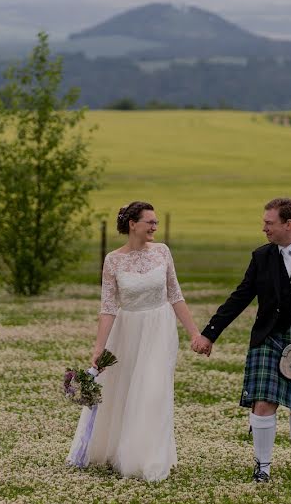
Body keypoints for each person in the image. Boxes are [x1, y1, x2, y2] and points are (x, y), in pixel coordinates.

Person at [191, 197, 291, 482]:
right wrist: (209, 332)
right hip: (270, 337)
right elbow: (240, 297)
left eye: (269, 223)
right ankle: (262, 467)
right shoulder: (262, 256)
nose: (264, 228)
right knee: (263, 401)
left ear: (288, 224)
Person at [67, 201, 201, 481]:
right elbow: (108, 307)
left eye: (156, 222)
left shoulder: (163, 252)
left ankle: (149, 459)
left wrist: (194, 333)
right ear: (132, 224)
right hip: (127, 331)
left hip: (159, 329)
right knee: (124, 390)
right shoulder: (113, 260)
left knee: (153, 390)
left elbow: (175, 295)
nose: (154, 227)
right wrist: (98, 348)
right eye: (149, 222)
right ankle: (117, 450)